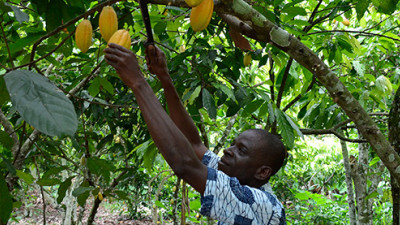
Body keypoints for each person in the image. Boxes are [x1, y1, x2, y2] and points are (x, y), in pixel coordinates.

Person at [104, 43, 287, 225]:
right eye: (232, 144)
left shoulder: (264, 205)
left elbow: (185, 164)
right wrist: (164, 77)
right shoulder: (233, 173)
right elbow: (193, 145)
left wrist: (138, 83)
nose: (227, 151)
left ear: (263, 172)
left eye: (242, 151)